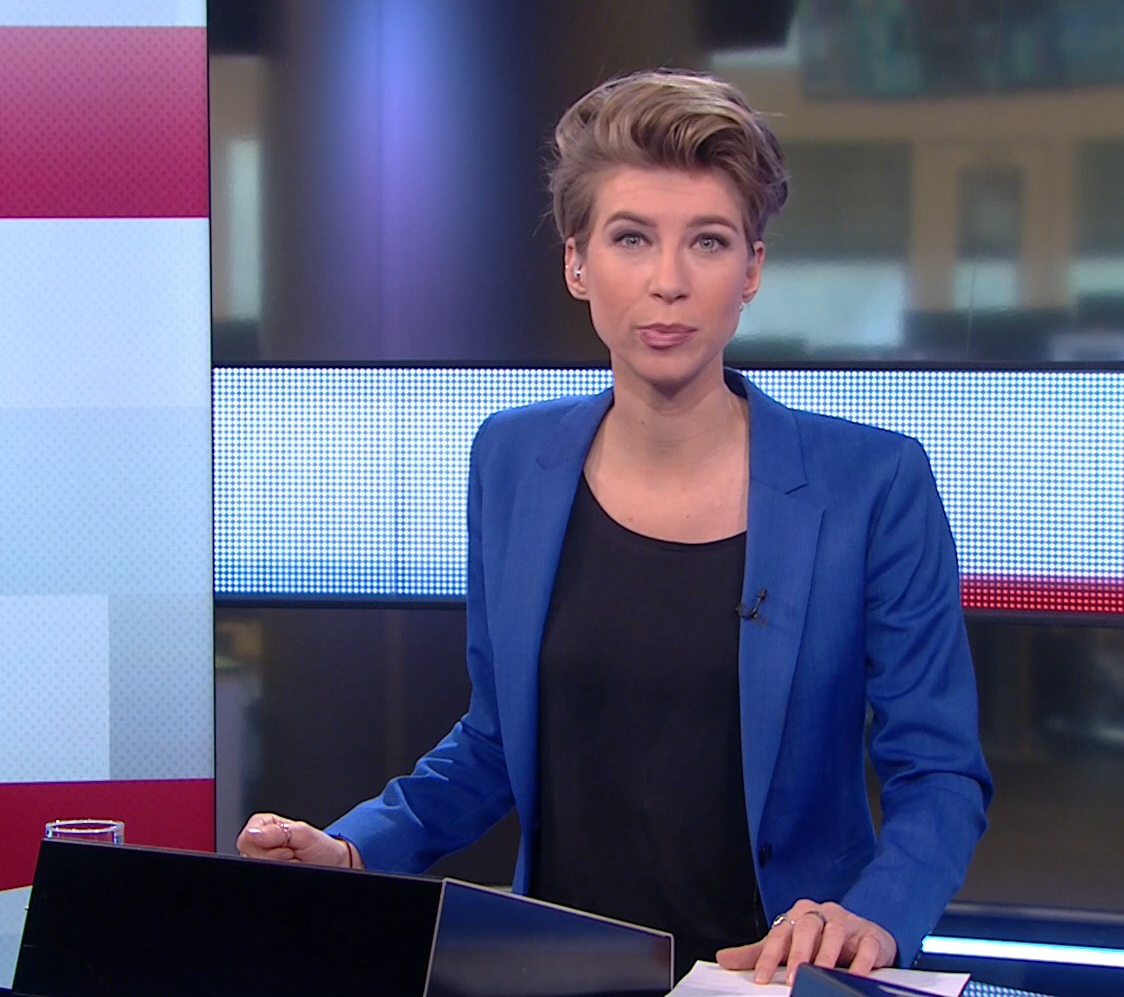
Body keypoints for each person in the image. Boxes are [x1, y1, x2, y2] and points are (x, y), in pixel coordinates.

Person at [239, 69, 991, 983]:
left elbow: (939, 772)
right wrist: (357, 851)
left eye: (707, 242)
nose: (668, 283)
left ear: (751, 270)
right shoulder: (512, 459)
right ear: (577, 264)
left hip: (769, 977)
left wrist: (870, 921)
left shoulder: (872, 485)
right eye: (632, 238)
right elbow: (496, 740)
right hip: (560, 973)